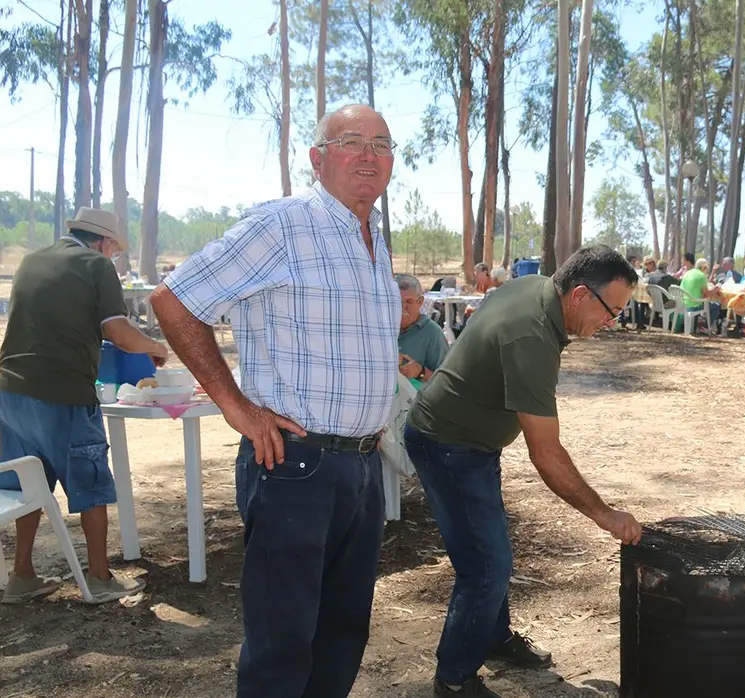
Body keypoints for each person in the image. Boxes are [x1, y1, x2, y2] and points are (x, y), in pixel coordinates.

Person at [149, 104, 401, 698]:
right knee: (283, 646)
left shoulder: (373, 239)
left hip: (363, 467)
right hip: (295, 465)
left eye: (382, 145)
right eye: (351, 141)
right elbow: (174, 300)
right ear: (318, 158)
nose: (369, 155)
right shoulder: (284, 225)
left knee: (342, 635)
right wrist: (237, 406)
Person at [405, 245, 642, 698]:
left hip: (470, 441)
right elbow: (546, 453)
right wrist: (604, 514)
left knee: (490, 552)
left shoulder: (536, 289)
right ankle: (453, 679)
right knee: (487, 565)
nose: (612, 321)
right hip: (448, 445)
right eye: (612, 310)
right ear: (578, 294)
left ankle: (492, 638)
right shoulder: (532, 336)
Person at [0, 208, 168, 605]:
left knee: (30, 485)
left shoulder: (32, 260)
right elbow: (119, 333)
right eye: (113, 250)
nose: (113, 256)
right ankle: (98, 577)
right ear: (105, 242)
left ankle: (22, 575)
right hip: (64, 393)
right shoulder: (96, 265)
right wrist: (155, 347)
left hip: (9, 392)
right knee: (90, 482)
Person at [396, 274, 449, 387]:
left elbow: (446, 382)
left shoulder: (432, 333)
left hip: (416, 402)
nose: (402, 307)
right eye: (397, 302)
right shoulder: (382, 330)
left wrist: (420, 373)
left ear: (420, 302)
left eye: (409, 302)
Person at [680, 258, 723, 334]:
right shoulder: (701, 275)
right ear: (704, 268)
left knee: (707, 304)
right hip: (694, 305)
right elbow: (706, 294)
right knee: (716, 306)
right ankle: (705, 327)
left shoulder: (687, 273)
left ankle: (700, 326)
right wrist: (716, 289)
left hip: (683, 304)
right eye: (706, 268)